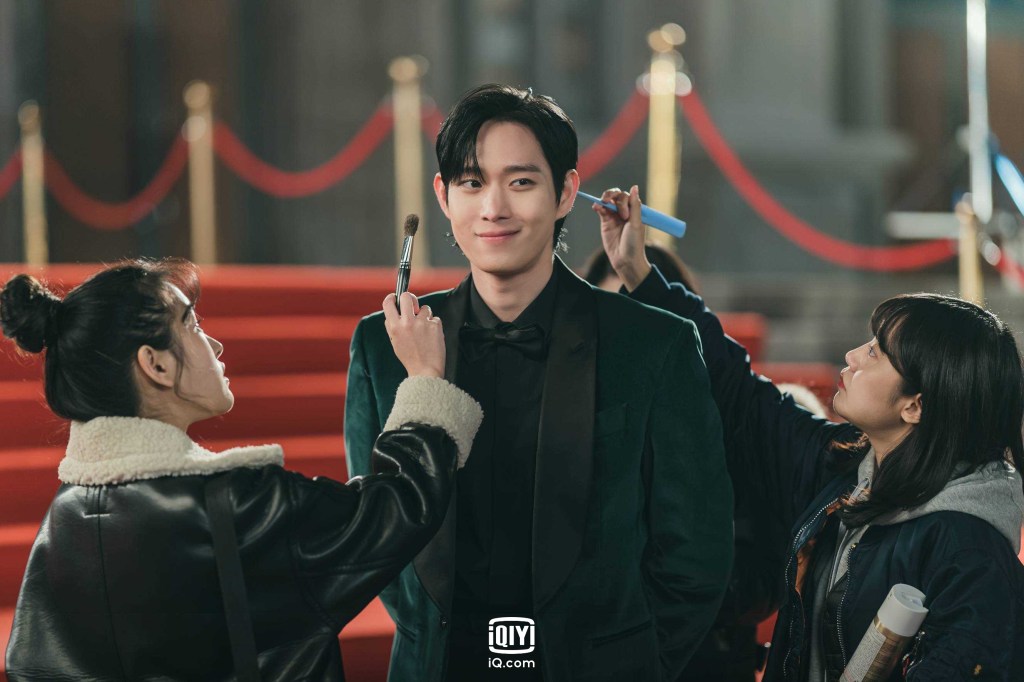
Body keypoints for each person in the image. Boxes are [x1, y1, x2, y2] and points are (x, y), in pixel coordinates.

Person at [345, 84, 733, 682]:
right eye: (472, 183)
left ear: (566, 193)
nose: (493, 208)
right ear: (443, 197)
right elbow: (379, 533)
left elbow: (697, 550)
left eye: (521, 182)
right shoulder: (385, 344)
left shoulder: (655, 343)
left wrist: (632, 661)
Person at [592, 186, 1024, 681]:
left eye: (876, 353)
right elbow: (743, 398)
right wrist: (637, 271)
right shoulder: (844, 472)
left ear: (916, 405)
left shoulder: (970, 555)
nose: (852, 357)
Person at [1, 259, 483, 682]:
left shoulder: (62, 519)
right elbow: (399, 507)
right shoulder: (241, 504)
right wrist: (424, 376)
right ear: (155, 365)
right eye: (192, 326)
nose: (214, 344)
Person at [584, 243, 787, 682]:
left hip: (705, 655)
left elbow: (762, 574)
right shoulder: (569, 414)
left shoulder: (729, 419)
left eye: (641, 316)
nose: (627, 336)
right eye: (613, 316)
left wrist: (669, 598)